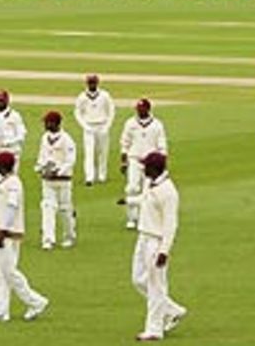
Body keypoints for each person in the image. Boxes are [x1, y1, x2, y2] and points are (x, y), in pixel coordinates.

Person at [120, 152, 187, 341]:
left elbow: (171, 224)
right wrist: (129, 201)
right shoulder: (151, 182)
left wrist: (164, 251)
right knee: (137, 280)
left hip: (156, 241)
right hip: (143, 236)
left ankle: (154, 329)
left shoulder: (168, 192)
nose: (143, 169)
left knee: (156, 285)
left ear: (156, 169)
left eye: (146, 167)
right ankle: (173, 310)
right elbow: (145, 198)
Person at [0, 151, 50, 322]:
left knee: (9, 272)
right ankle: (1, 310)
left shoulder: (13, 184)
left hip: (8, 235)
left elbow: (11, 208)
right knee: (1, 275)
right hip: (0, 233)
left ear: (2, 166)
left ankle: (36, 301)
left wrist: (3, 231)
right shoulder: (3, 182)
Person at [119, 99, 168, 230]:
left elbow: (162, 144)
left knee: (147, 191)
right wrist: (123, 160)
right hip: (134, 159)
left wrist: (162, 162)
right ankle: (131, 218)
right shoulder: (130, 123)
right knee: (132, 188)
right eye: (138, 108)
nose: (139, 111)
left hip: (151, 162)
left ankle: (145, 218)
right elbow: (125, 142)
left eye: (142, 108)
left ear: (148, 109)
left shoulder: (157, 125)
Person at [35, 110, 77, 250]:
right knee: (47, 207)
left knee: (65, 209)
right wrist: (41, 167)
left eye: (48, 122)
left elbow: (70, 160)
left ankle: (69, 236)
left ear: (55, 123)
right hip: (47, 181)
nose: (46, 125)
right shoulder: (44, 138)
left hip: (63, 180)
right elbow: (42, 156)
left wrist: (58, 170)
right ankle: (48, 239)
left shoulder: (67, 139)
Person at [74, 74, 116, 186]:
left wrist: (107, 126)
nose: (92, 85)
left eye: (93, 82)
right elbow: (77, 112)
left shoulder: (104, 95)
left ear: (97, 83)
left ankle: (102, 175)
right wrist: (84, 126)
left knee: (102, 152)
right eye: (90, 83)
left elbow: (111, 110)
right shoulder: (82, 97)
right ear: (87, 83)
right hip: (89, 126)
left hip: (102, 125)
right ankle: (89, 177)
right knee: (89, 152)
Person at [0, 89, 27, 163]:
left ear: (7, 100)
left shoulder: (15, 116)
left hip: (12, 152)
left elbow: (21, 135)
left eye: (2, 100)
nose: (0, 103)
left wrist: (7, 142)